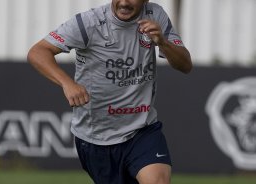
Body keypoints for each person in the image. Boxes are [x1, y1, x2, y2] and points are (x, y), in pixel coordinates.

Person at [27, 0, 192, 183]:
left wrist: (163, 42)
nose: (124, 2)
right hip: (96, 138)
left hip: (142, 130)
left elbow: (185, 65)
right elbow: (38, 52)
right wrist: (67, 83)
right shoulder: (88, 22)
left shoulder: (155, 15)